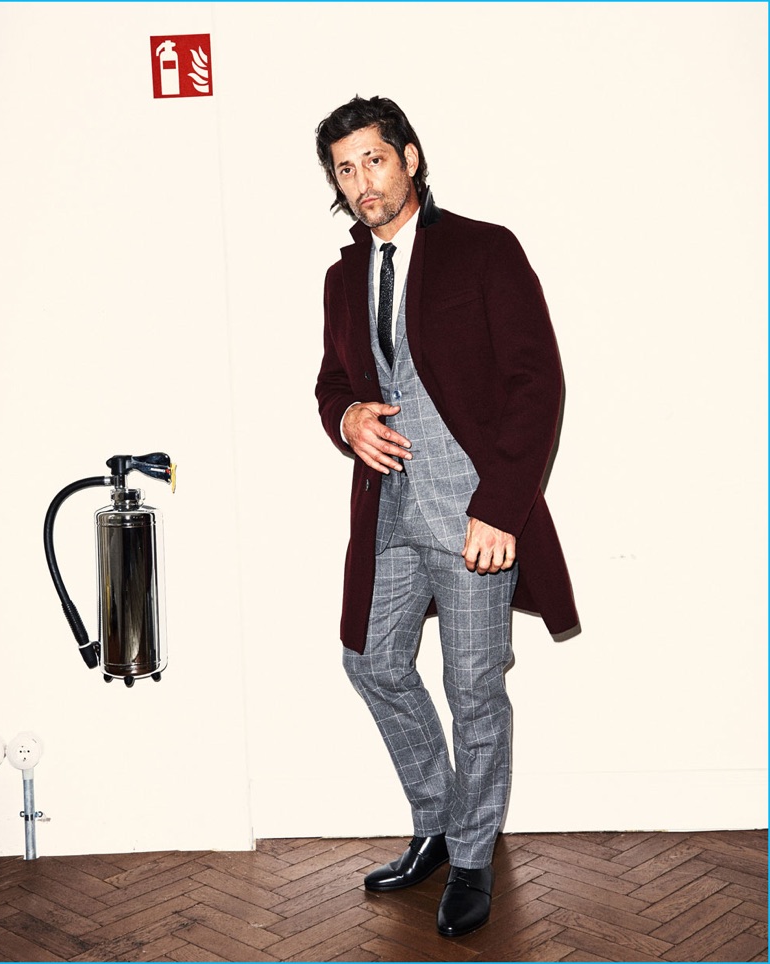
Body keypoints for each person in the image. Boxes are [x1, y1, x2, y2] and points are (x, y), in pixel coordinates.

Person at [314, 95, 579, 938]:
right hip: (387, 516)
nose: (362, 181)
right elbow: (332, 383)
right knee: (372, 662)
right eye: (345, 168)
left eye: (374, 159)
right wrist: (347, 420)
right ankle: (438, 821)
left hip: (473, 519)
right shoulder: (342, 278)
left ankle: (472, 856)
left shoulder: (484, 249)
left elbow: (537, 383)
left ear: (411, 158)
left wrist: (502, 508)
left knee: (473, 689)